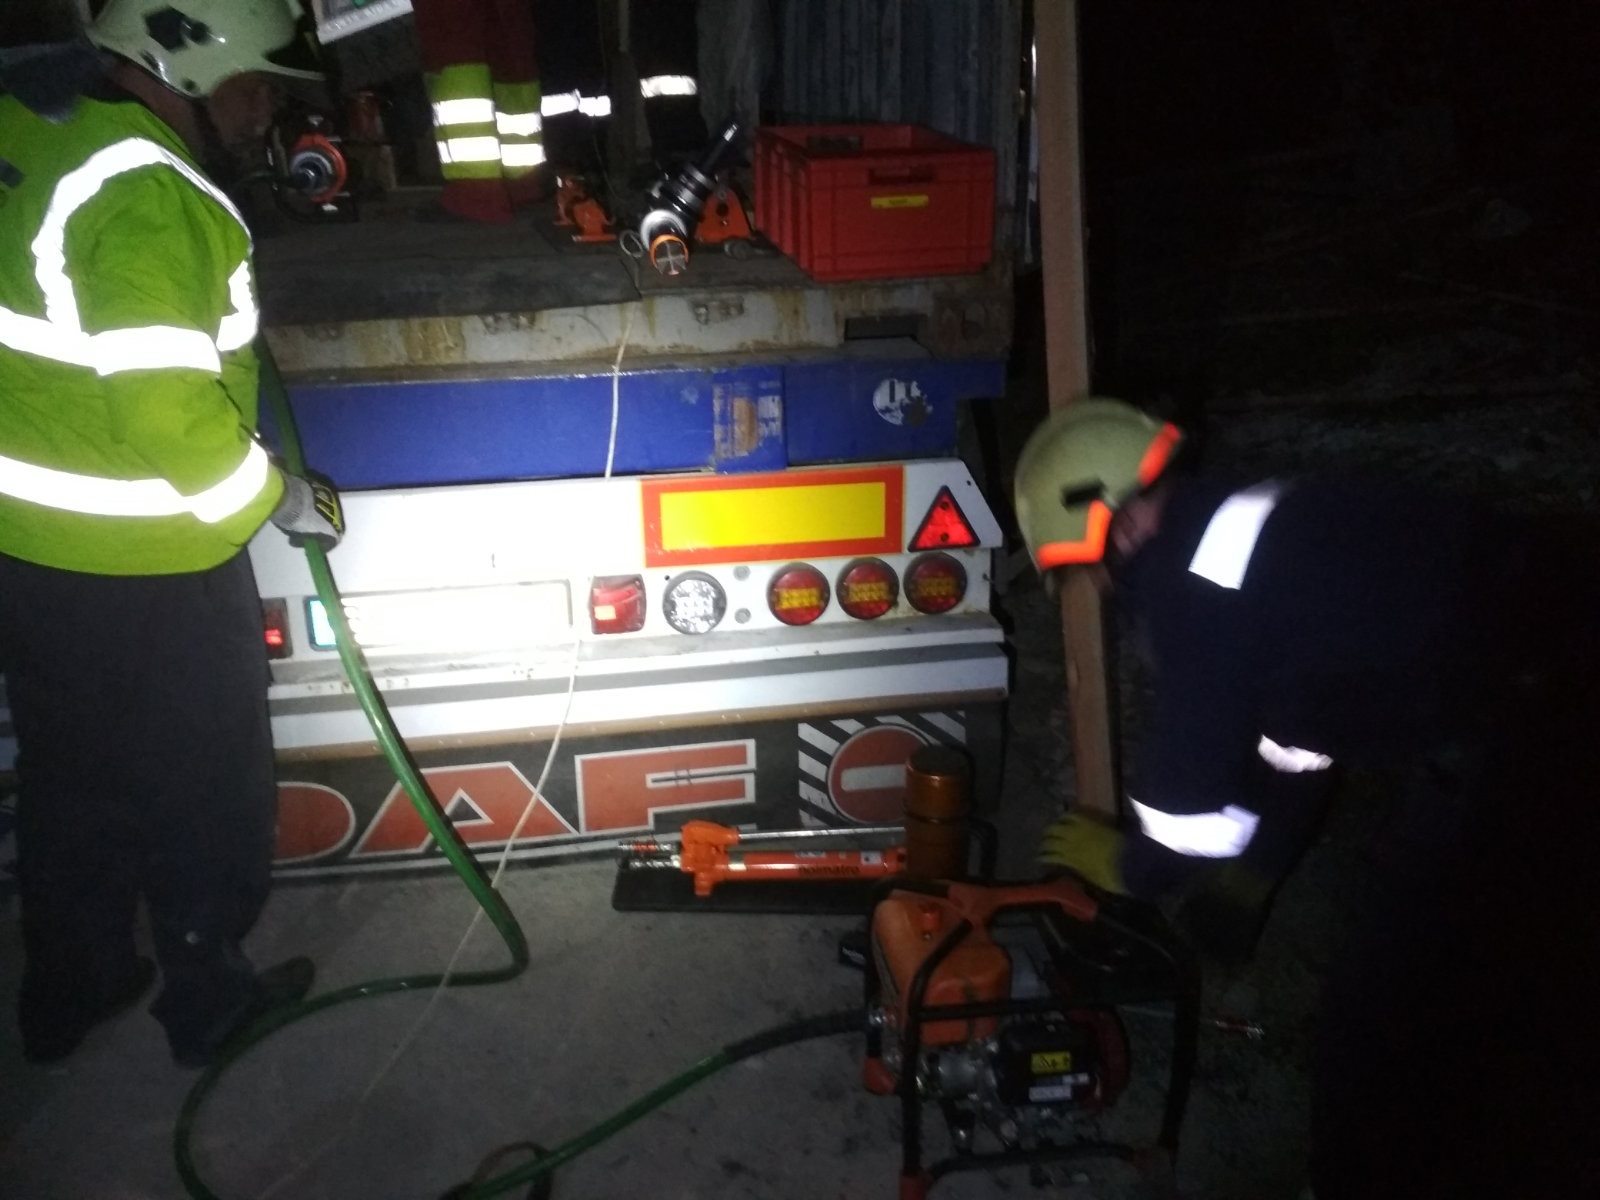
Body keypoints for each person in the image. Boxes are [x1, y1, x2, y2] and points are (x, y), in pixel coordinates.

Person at [1012, 398, 1600, 1198]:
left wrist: (1130, 867)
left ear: (1111, 528)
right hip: (1533, 660)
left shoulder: (1196, 586)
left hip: (1540, 717)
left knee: (1389, 1005)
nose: (1101, 588)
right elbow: (1299, 732)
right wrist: (1258, 868)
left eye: (1085, 569)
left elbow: (1187, 799)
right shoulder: (1243, 525)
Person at [0, 0, 344, 1069]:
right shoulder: (148, 189)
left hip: (32, 551)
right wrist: (277, 500)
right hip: (154, 563)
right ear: (189, 68)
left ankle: (71, 987)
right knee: (204, 788)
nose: (264, 111)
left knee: (70, 778)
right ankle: (207, 999)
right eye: (257, 84)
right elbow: (171, 418)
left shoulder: (29, 126)